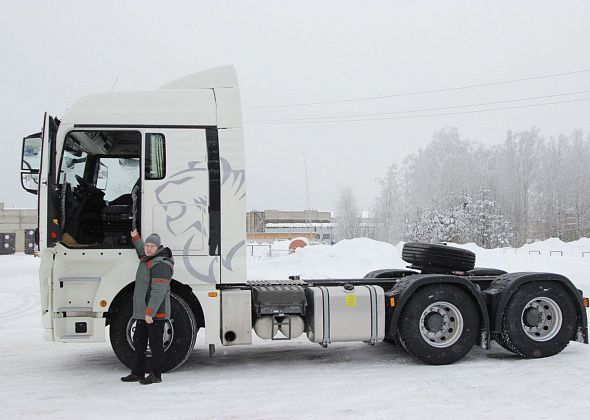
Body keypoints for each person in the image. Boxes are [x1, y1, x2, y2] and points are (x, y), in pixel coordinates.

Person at [120, 230, 174, 385]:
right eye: (147, 245)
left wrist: (150, 313)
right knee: (139, 342)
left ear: (158, 248)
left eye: (152, 246)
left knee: (156, 345)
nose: (148, 248)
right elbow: (141, 249)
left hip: (155, 313)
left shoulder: (162, 264)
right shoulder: (148, 258)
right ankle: (137, 372)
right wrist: (135, 238)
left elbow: (158, 292)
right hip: (144, 313)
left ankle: (156, 375)